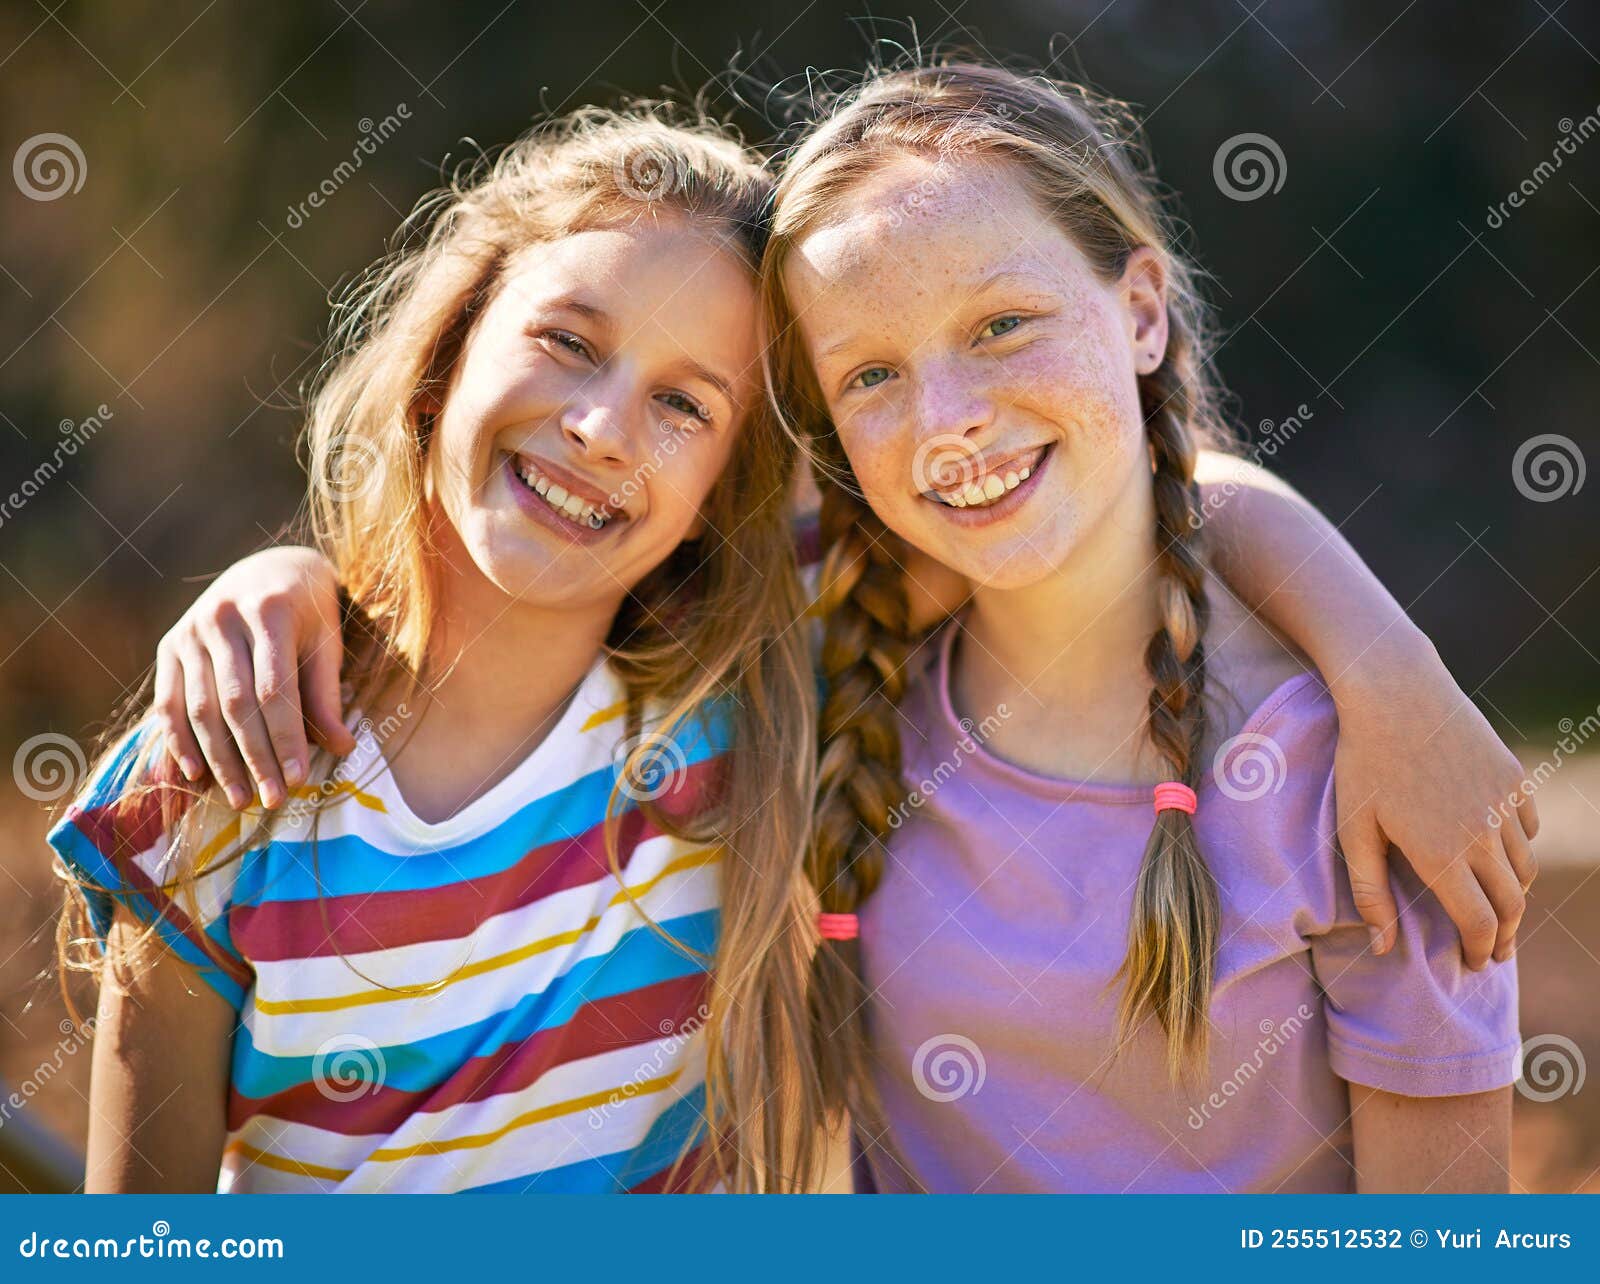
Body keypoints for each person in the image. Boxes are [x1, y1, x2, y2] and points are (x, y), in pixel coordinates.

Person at [768, 61, 1526, 1192]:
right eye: (871, 372)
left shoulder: (1363, 779)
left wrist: (1391, 673)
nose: (947, 421)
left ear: (1137, 313)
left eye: (1002, 323)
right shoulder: (839, 723)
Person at [51, 108, 825, 1193]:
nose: (602, 428)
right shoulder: (218, 765)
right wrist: (281, 573)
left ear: (717, 495)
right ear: (449, 349)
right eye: (568, 342)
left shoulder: (752, 752)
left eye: (684, 404)